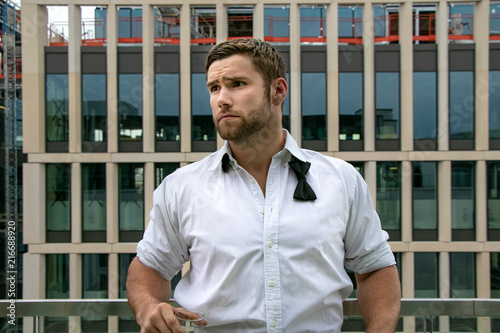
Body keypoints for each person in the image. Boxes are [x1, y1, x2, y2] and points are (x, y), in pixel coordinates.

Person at [127, 38, 401, 333]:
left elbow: (375, 268)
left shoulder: (341, 179)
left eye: (238, 84)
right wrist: (149, 308)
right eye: (214, 88)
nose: (222, 99)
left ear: (277, 91)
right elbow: (150, 267)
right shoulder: (181, 186)